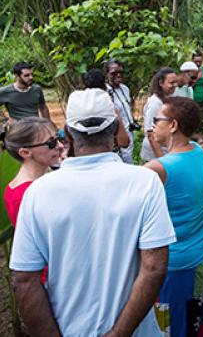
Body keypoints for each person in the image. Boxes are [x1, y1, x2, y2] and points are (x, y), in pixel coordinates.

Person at [9, 88, 176, 336]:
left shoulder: (38, 192)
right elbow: (154, 267)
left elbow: (23, 280)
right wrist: (119, 333)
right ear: (114, 128)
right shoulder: (144, 182)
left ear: (68, 134)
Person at [145, 97, 203, 336]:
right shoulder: (198, 152)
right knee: (199, 307)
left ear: (173, 125)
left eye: (158, 120)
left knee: (174, 323)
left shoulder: (156, 170)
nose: (153, 125)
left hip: (177, 261)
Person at [3, 117, 63, 227]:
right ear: (25, 152)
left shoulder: (43, 181)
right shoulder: (22, 196)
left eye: (58, 138)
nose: (60, 146)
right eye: (51, 143)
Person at [83, 69, 130, 151]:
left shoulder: (78, 109)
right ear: (104, 86)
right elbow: (124, 142)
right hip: (107, 155)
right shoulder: (110, 109)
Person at [141, 67, 178, 161]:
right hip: (154, 154)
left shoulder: (171, 97)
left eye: (175, 82)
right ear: (161, 83)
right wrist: (162, 160)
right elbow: (150, 134)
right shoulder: (155, 103)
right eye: (171, 83)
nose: (175, 85)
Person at [105, 59, 136, 164]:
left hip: (129, 133)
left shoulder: (125, 89)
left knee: (129, 160)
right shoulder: (105, 92)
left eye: (121, 73)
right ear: (107, 74)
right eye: (114, 73)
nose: (118, 75)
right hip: (117, 137)